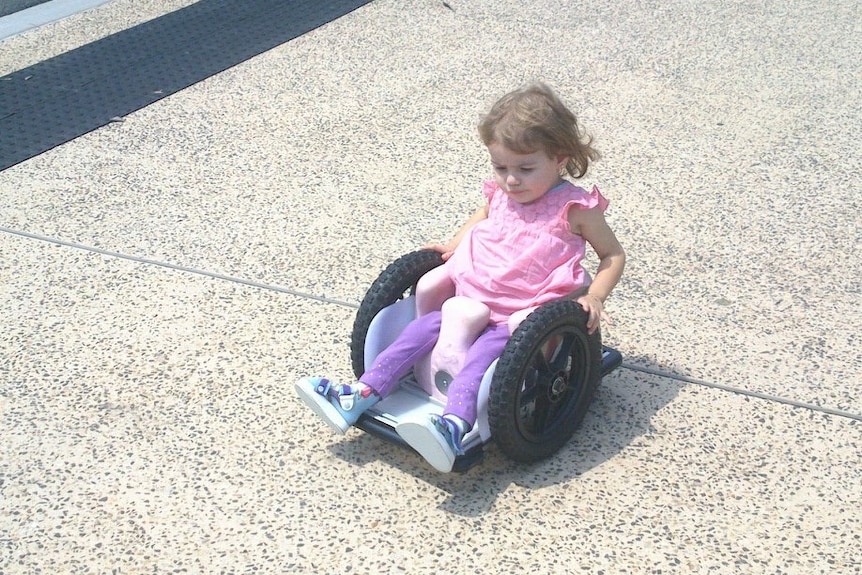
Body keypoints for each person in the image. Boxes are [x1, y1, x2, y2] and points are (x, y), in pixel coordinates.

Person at [295, 82, 626, 472]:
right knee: (418, 333)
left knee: (481, 359)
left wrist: (596, 296)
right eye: (500, 168)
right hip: (473, 295)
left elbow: (613, 255)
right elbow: (482, 216)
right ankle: (362, 392)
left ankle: (454, 423)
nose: (511, 180)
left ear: (559, 158)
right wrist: (454, 245)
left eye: (524, 168)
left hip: (520, 316)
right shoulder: (503, 194)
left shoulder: (575, 209)